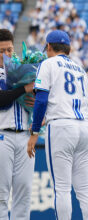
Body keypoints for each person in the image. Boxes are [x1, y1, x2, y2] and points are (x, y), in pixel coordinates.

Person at [27, 30, 88, 220]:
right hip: (84, 126)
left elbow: (41, 101)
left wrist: (35, 130)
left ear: (49, 47)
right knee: (84, 188)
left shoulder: (48, 63)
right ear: (69, 48)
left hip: (61, 128)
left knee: (62, 188)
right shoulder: (80, 68)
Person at [0, 29, 35, 219]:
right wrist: (24, 88)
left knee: (24, 193)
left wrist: (35, 95)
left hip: (25, 137)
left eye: (9, 49)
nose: (6, 54)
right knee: (1, 195)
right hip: (2, 136)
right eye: (2, 50)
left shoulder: (24, 69)